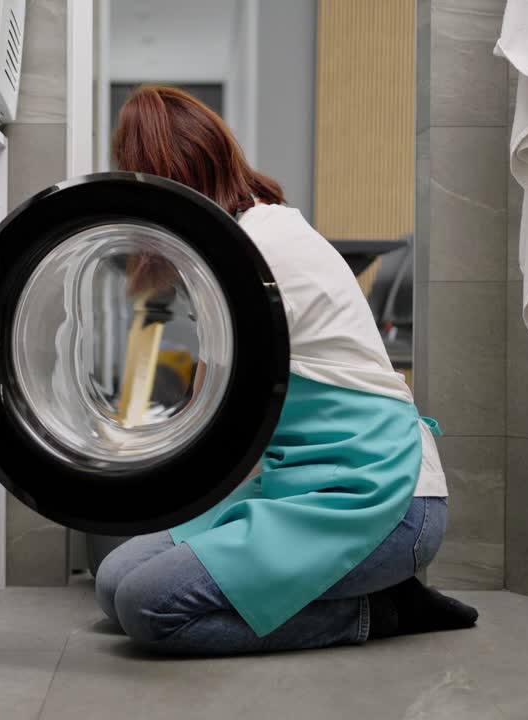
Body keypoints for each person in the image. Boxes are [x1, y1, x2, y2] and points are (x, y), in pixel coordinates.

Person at [95, 85, 478, 656]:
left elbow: (211, 423)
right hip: (294, 489)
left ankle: (382, 609)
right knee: (112, 580)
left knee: (147, 607)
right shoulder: (242, 238)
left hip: (381, 500)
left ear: (163, 182)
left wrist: (119, 455)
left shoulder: (255, 253)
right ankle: (350, 596)